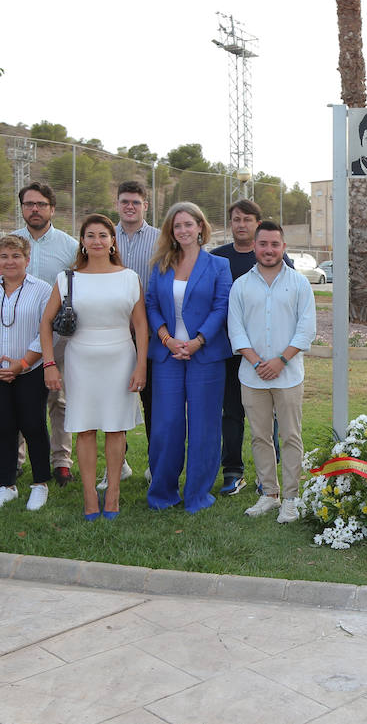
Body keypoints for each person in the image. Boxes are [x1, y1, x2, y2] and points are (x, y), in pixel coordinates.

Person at [40, 214, 148, 520]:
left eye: (103, 235)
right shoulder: (67, 279)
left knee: (116, 428)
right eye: (90, 235)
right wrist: (49, 364)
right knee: (84, 429)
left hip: (120, 358)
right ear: (83, 242)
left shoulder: (129, 277)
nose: (97, 241)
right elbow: (46, 322)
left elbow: (140, 326)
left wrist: (141, 365)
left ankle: (112, 494)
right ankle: (90, 496)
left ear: (113, 240)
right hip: (80, 359)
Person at [145, 202, 233, 513]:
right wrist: (168, 339)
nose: (182, 230)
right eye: (176, 226)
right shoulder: (160, 265)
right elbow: (151, 305)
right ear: (171, 231)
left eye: (188, 224)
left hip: (205, 355)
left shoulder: (218, 266)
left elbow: (221, 307)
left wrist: (197, 341)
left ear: (200, 227)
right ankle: (163, 492)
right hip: (168, 355)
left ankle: (197, 494)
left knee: (204, 426)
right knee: (166, 425)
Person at [229, 220, 316, 523]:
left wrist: (280, 361)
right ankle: (269, 494)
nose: (268, 250)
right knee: (260, 436)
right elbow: (236, 330)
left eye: (274, 244)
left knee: (291, 436)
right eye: (263, 244)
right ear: (254, 246)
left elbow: (306, 330)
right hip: (252, 376)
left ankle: (291, 498)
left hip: (289, 375)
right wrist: (256, 362)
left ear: (283, 247)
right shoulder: (241, 285)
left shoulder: (300, 284)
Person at [210, 199, 291, 496]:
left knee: (269, 416)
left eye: (247, 219)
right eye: (236, 219)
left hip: (269, 355)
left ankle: (267, 475)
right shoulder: (217, 258)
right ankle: (232, 471)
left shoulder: (279, 260)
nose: (241, 224)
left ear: (258, 224)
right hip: (230, 352)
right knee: (231, 413)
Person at [0, 235, 52, 512]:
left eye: (16, 256)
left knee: (33, 425)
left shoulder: (42, 289)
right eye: (4, 256)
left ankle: (40, 484)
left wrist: (22, 363)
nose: (10, 261)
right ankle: (7, 485)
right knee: (3, 428)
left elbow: (46, 330)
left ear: (27, 259)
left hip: (29, 370)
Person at [11, 182, 79, 487]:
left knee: (59, 399)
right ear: (22, 208)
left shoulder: (68, 246)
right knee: (19, 399)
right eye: (28, 204)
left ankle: (61, 461)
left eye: (40, 204)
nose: (34, 209)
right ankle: (15, 459)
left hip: (57, 337)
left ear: (52, 208)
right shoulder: (11, 243)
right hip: (17, 334)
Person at [113, 180, 160, 486]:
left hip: (150, 332)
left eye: (136, 202)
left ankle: (156, 465)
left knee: (153, 401)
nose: (130, 206)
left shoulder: (160, 239)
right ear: (117, 204)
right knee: (114, 399)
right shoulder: (105, 235)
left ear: (146, 205)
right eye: (124, 201)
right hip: (112, 333)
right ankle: (120, 463)